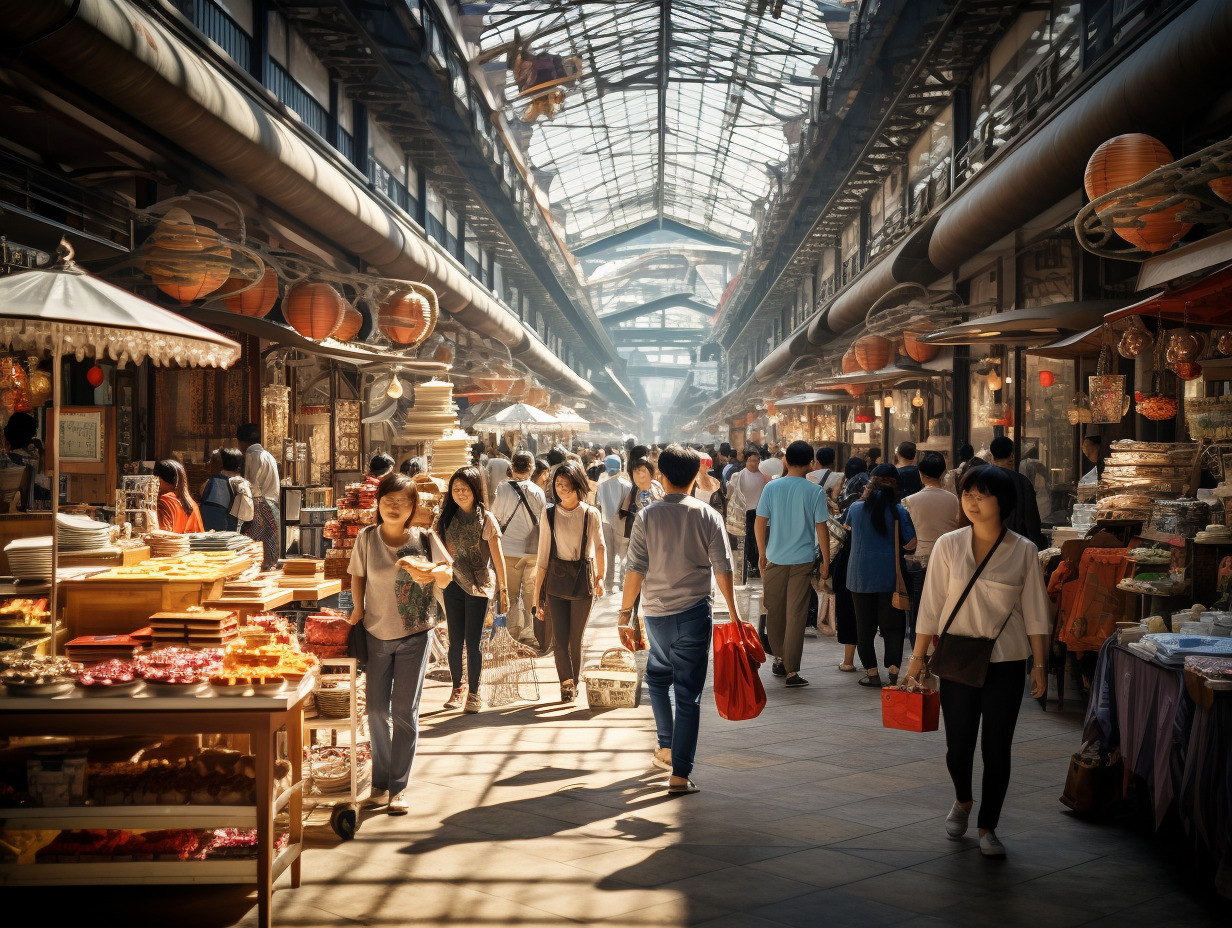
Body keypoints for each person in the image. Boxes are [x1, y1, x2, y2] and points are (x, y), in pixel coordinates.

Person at [906, 465, 1050, 858]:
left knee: (997, 748)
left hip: (1006, 662)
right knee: (958, 747)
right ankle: (963, 800)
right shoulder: (949, 545)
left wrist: (1040, 666)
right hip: (957, 661)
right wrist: (917, 659)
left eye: (981, 495)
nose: (971, 501)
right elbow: (931, 607)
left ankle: (988, 825)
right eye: (967, 494)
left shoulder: (1023, 550)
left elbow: (1037, 613)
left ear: (1002, 502)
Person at [620, 444, 742, 795]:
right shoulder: (707, 515)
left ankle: (666, 745)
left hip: (655, 615)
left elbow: (634, 569)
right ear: (694, 477)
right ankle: (679, 774)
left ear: (661, 475)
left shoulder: (646, 516)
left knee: (657, 679)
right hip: (693, 614)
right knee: (687, 694)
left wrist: (624, 615)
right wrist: (733, 614)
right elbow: (723, 567)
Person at [347, 473, 453, 814]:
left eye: (402, 502)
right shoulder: (366, 538)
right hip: (376, 634)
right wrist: (358, 611)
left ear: (413, 507)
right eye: (388, 500)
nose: (394, 507)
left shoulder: (423, 538)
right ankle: (379, 781)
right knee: (376, 710)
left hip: (415, 633)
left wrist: (428, 571)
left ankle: (398, 787)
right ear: (378, 503)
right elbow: (358, 575)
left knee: (404, 711)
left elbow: (447, 574)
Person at [754, 441, 831, 688]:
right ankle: (791, 671)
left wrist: (761, 552)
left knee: (775, 610)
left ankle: (779, 659)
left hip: (775, 558)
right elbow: (822, 529)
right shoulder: (815, 491)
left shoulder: (772, 487)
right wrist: (826, 563)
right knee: (796, 614)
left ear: (786, 461)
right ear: (811, 463)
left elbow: (760, 522)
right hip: (802, 560)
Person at [437, 466, 508, 714]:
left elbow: (498, 560)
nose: (460, 493)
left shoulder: (487, 519)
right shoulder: (446, 518)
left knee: (473, 641)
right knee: (454, 641)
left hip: (479, 586)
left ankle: (474, 693)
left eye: (465, 489)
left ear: (475, 490)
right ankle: (458, 688)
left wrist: (503, 590)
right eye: (456, 489)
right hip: (453, 584)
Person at [534, 460, 606, 703]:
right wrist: (537, 595)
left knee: (577, 638)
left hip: (583, 583)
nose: (560, 488)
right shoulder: (549, 513)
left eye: (565, 484)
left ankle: (573, 682)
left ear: (577, 485)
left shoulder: (590, 513)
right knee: (559, 639)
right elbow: (542, 556)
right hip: (555, 581)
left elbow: (600, 547)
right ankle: (566, 683)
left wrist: (601, 578)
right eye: (557, 484)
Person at [844, 463, 916, 687]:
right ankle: (893, 672)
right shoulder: (900, 511)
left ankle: (872, 674)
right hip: (890, 578)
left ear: (871, 484)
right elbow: (911, 544)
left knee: (864, 627)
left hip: (860, 576)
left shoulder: (856, 509)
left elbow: (848, 529)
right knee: (892, 627)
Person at [490, 452, 546, 648]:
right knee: (530, 593)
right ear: (531, 469)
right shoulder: (538, 491)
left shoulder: (503, 489)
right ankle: (529, 632)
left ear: (512, 468)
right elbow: (543, 520)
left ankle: (513, 633)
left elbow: (495, 517)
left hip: (509, 550)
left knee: (512, 594)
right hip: (532, 551)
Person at [901, 452, 960, 638]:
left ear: (920, 474)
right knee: (945, 605)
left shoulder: (908, 502)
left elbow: (906, 536)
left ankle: (918, 654)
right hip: (949, 560)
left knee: (918, 607)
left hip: (919, 560)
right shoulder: (954, 500)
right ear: (943, 473)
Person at [988, 437, 1047, 549]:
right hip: (1015, 546)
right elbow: (1031, 521)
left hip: (987, 544)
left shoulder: (982, 480)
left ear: (992, 455)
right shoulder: (1021, 482)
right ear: (1012, 456)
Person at [237, 423, 281, 570]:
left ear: (243, 441)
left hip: (260, 505)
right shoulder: (268, 455)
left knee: (254, 546)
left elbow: (251, 485)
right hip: (272, 504)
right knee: (269, 543)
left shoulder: (252, 455)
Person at [730, 449, 770, 577]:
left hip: (760, 512)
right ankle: (751, 563)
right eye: (751, 460)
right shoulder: (739, 476)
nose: (754, 463)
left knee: (760, 538)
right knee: (749, 539)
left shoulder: (764, 477)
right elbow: (731, 494)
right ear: (746, 461)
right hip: (745, 511)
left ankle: (759, 563)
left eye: (756, 460)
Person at [595, 455, 631, 591]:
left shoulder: (601, 486)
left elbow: (598, 504)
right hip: (622, 522)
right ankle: (622, 581)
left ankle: (609, 581)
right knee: (623, 552)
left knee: (608, 552)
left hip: (605, 523)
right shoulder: (627, 485)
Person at [200, 448, 252, 532]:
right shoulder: (241, 484)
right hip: (229, 535)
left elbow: (201, 493)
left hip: (207, 532)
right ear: (239, 466)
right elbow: (247, 516)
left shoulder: (210, 482)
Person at [154, 458, 204, 534]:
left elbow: (163, 535)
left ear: (160, 479)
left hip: (172, 545)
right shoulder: (193, 504)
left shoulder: (166, 499)